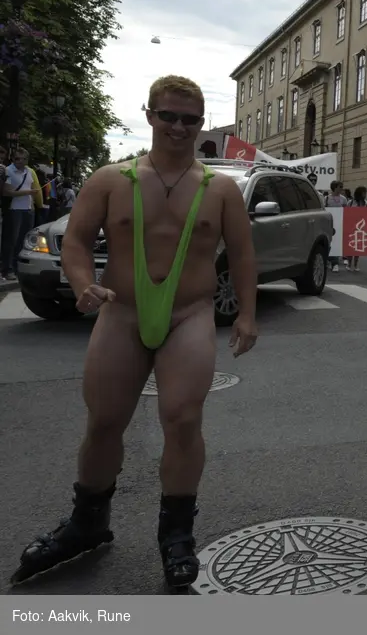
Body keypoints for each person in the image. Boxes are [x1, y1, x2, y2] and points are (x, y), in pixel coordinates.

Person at [10, 75, 259, 590]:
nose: (178, 127)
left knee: (183, 419)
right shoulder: (110, 179)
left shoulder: (221, 190)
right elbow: (76, 241)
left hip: (189, 312)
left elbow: (243, 255)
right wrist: (81, 283)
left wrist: (248, 314)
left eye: (190, 119)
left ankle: (177, 535)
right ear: (148, 115)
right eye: (168, 115)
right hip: (120, 311)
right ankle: (88, 523)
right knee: (104, 421)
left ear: (201, 124)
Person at [2, 148, 43, 281]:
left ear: (27, 159)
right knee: (11, 240)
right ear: (13, 159)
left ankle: (18, 266)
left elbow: (29, 188)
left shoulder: (29, 172)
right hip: (14, 209)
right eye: (17, 159)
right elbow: (7, 192)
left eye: (23, 159)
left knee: (23, 240)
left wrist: (31, 205)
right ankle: (7, 269)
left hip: (27, 209)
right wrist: (28, 193)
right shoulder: (8, 171)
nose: (20, 161)